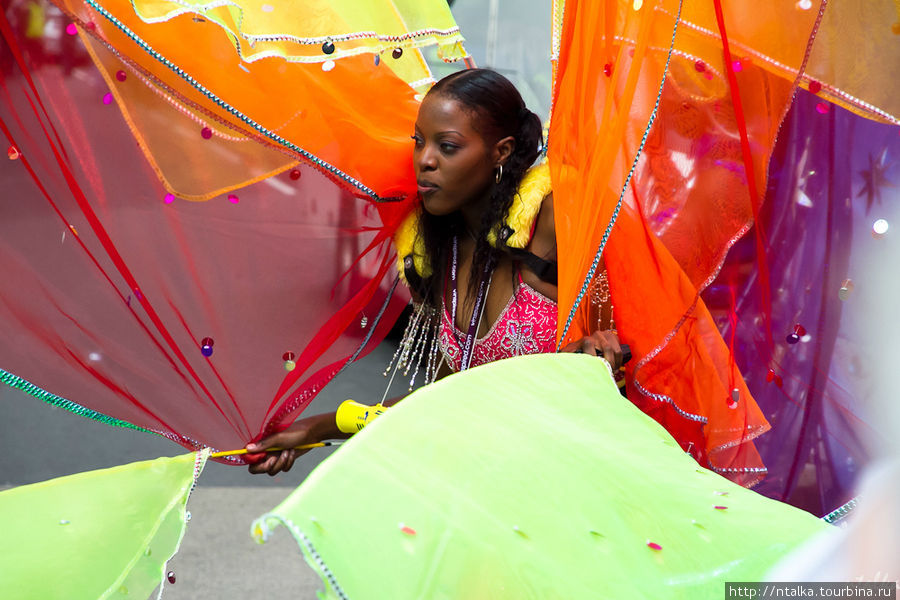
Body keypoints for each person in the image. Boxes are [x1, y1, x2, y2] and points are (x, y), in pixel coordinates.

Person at [247, 69, 623, 475]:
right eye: (419, 143)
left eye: (447, 146)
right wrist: (315, 428)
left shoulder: (548, 225)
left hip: (566, 488)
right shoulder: (442, 250)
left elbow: (615, 354)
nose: (425, 161)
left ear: (501, 151)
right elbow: (445, 403)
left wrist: (595, 357)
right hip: (482, 493)